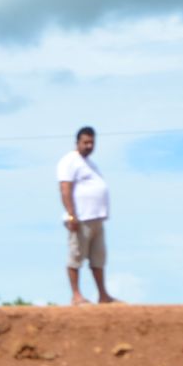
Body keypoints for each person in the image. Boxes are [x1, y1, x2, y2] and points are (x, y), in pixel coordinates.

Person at [55, 127, 115, 304]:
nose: (89, 146)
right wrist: (71, 215)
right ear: (77, 142)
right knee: (76, 256)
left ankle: (103, 295)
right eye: (86, 142)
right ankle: (76, 295)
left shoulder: (90, 164)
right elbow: (65, 188)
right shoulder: (69, 161)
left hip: (97, 218)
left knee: (98, 258)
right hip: (80, 218)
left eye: (92, 142)